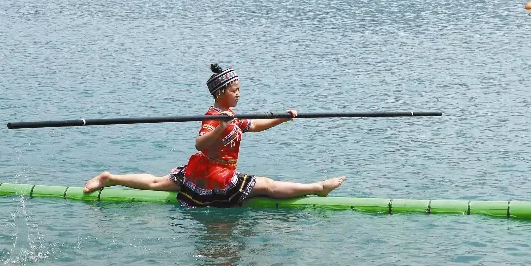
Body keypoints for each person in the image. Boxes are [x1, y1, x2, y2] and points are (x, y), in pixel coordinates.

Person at [83, 63, 345, 206]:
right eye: (235, 91)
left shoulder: (233, 116)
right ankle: (318, 188)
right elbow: (200, 144)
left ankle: (111, 177)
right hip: (211, 172)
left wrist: (283, 118)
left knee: (156, 183)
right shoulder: (213, 115)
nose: (239, 94)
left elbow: (256, 126)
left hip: (211, 172)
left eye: (240, 90)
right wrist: (220, 126)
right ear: (221, 94)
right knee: (268, 185)